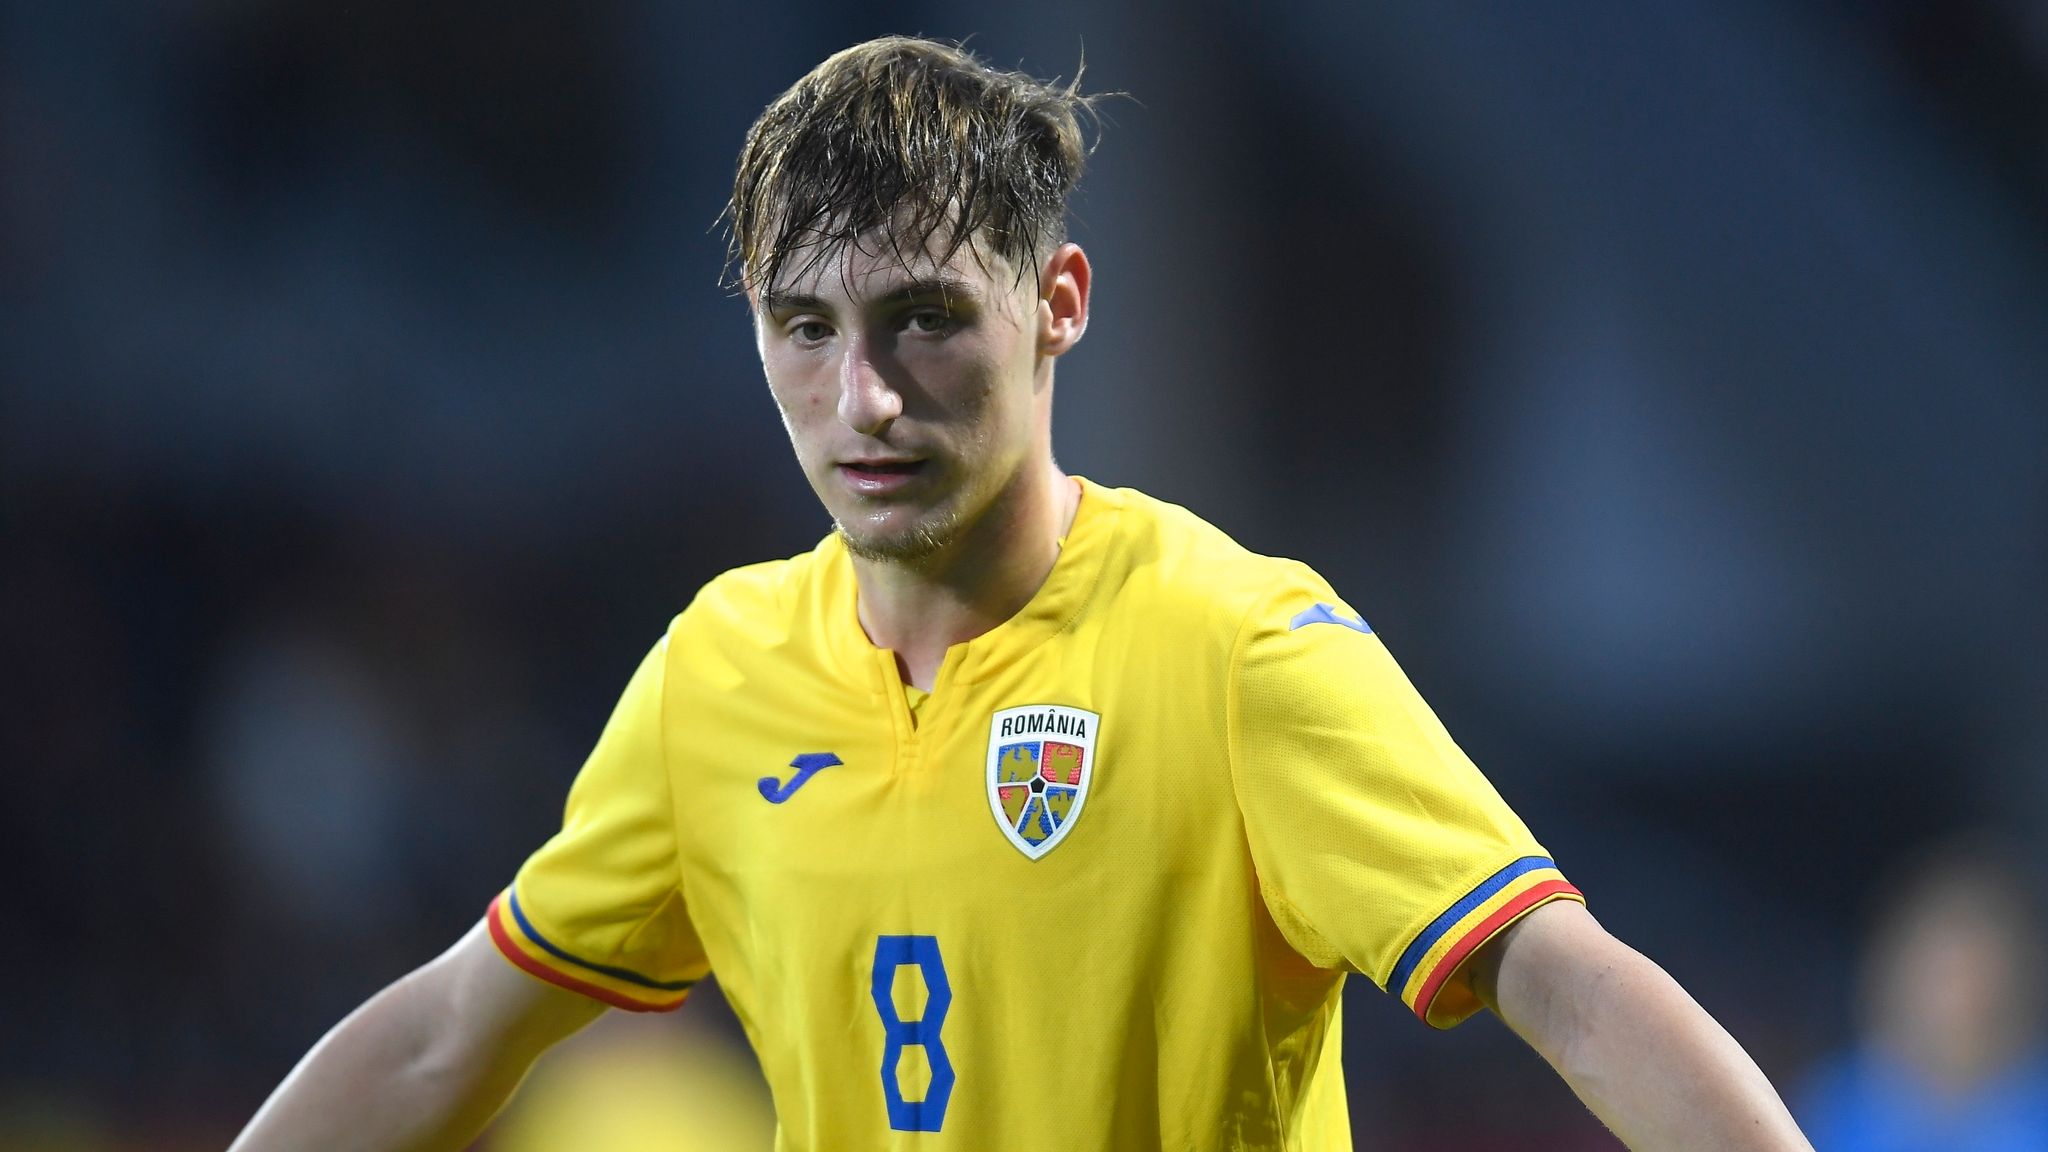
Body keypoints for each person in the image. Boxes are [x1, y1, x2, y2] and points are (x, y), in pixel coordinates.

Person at [229, 36, 1813, 1151]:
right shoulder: (717, 675)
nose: (864, 401)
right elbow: (450, 1032)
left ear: (1056, 304)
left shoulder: (1231, 643)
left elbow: (1576, 990)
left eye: (923, 321)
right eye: (803, 329)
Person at [1799, 843, 2048, 1149]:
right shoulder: (1835, 1103)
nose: (1953, 993)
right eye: (1939, 967)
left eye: (1972, 968)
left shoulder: (2035, 1111)